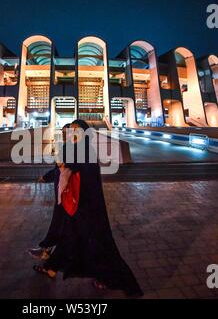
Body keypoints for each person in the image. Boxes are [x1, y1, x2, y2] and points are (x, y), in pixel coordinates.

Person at [32, 119, 143, 297]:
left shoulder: (84, 152)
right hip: (76, 207)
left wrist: (61, 154)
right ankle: (52, 268)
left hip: (88, 210)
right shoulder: (77, 150)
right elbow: (62, 168)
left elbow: (63, 167)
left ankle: (109, 277)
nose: (72, 133)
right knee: (69, 238)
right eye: (71, 131)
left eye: (77, 131)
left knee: (96, 244)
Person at [28, 124, 71, 260]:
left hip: (67, 195)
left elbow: (63, 169)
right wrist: (46, 177)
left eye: (67, 132)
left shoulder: (71, 150)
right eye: (63, 132)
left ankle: (47, 251)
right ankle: (49, 252)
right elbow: (58, 170)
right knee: (62, 224)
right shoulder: (68, 149)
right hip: (63, 194)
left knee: (58, 223)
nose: (64, 135)